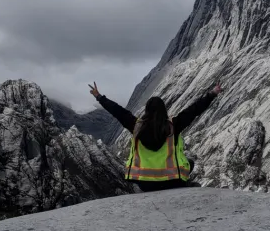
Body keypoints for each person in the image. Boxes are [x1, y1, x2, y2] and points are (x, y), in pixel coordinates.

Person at [88, 81, 222, 192]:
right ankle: (186, 187)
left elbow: (118, 111)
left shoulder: (136, 126)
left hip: (145, 183)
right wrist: (212, 94)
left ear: (146, 111)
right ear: (164, 110)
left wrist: (99, 97)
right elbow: (194, 110)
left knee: (188, 164)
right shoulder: (173, 126)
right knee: (190, 162)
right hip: (172, 181)